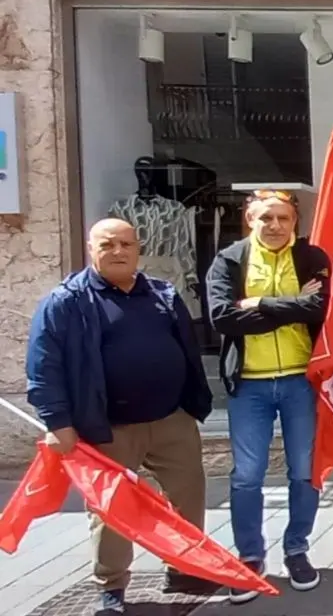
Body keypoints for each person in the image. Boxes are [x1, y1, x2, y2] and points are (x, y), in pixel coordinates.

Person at [26, 218, 215, 615]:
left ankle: (183, 567)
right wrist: (57, 422)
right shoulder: (66, 301)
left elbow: (187, 349)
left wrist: (192, 402)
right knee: (111, 511)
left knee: (188, 497)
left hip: (170, 420)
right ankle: (111, 586)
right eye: (107, 244)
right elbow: (43, 368)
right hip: (107, 427)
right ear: (90, 249)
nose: (118, 251)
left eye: (126, 243)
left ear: (138, 248)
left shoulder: (162, 293)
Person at [207, 190, 329, 603]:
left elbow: (319, 308)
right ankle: (250, 557)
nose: (275, 226)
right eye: (266, 219)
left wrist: (258, 303)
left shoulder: (312, 257)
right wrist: (290, 306)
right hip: (250, 386)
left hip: (299, 381)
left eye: (283, 218)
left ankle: (297, 549)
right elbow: (223, 317)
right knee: (247, 476)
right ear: (250, 219)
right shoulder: (228, 260)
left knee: (303, 471)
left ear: (294, 220)